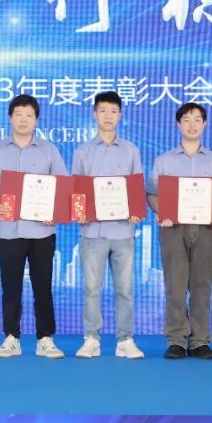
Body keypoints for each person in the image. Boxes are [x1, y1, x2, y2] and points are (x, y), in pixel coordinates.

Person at [0, 94, 68, 359]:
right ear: (10, 118)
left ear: (36, 120)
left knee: (43, 286)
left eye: (29, 115)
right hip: (8, 230)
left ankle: (45, 338)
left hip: (42, 231)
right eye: (18, 114)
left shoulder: (49, 150)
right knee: (11, 287)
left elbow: (62, 186)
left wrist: (55, 212)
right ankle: (11, 338)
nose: (23, 120)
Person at [147, 103, 212, 360]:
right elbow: (152, 194)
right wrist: (162, 212)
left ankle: (200, 340)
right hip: (173, 228)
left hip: (205, 228)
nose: (192, 125)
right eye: (186, 120)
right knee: (175, 284)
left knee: (202, 285)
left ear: (205, 124)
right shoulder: (164, 160)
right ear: (178, 124)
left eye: (197, 119)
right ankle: (176, 340)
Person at [72, 91, 145, 359]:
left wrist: (136, 211)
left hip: (123, 231)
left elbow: (136, 187)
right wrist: (79, 212)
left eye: (113, 111)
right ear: (95, 114)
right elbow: (77, 189)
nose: (108, 116)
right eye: (103, 111)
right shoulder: (83, 151)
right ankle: (91, 338)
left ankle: (125, 339)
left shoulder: (130, 150)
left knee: (124, 290)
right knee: (92, 289)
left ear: (120, 115)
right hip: (93, 231)